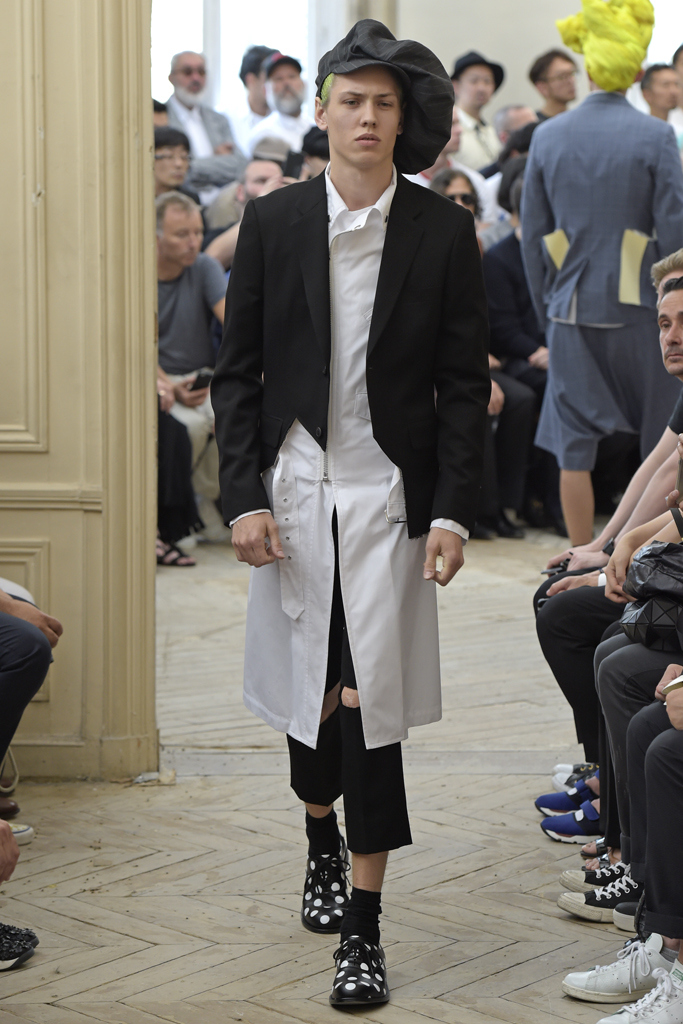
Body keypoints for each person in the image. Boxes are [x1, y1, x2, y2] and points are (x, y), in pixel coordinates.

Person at [211, 18, 489, 1007]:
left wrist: (452, 511)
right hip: (293, 493)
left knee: (370, 702)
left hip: (389, 501)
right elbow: (236, 373)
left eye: (384, 103)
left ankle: (363, 931)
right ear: (323, 112)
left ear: (402, 119)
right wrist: (240, 496)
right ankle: (316, 834)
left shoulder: (441, 229)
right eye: (351, 101)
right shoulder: (276, 221)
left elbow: (463, 384)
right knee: (310, 695)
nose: (367, 117)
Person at [521, 0, 683, 546]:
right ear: (635, 70)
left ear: (588, 65)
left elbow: (535, 236)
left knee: (574, 447)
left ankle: (577, 556)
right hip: (643, 304)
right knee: (662, 442)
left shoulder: (547, 135)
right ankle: (643, 563)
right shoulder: (656, 135)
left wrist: (548, 304)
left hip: (569, 305)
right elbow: (673, 234)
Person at [156, 191, 227, 540]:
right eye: (181, 234)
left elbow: (234, 322)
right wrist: (168, 384)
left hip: (203, 378)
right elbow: (134, 346)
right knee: (192, 429)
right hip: (159, 377)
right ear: (156, 236)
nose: (193, 242)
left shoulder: (204, 266)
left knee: (232, 418)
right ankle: (185, 510)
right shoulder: (137, 273)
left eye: (198, 232)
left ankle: (206, 500)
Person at [166, 51, 246, 204]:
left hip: (223, 200)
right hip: (180, 201)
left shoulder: (219, 119)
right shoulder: (161, 118)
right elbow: (169, 171)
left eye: (201, 72)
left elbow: (240, 166)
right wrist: (217, 161)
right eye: (187, 72)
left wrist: (191, 165)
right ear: (172, 78)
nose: (196, 78)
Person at [246, 53, 313, 157]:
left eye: (292, 76)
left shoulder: (317, 128)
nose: (286, 83)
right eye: (278, 79)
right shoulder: (262, 135)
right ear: (265, 90)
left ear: (303, 84)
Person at [451, 50, 505, 171]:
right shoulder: (448, 130)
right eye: (474, 81)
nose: (482, 88)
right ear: (455, 86)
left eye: (487, 81)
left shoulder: (492, 132)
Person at [227, 44, 277, 157]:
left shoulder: (285, 118)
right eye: (270, 78)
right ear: (251, 80)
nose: (276, 85)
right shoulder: (226, 119)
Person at [528, 48, 578, 120]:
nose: (571, 81)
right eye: (563, 76)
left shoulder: (578, 120)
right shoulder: (535, 124)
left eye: (572, 74)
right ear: (542, 87)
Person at [153, 127, 200, 204]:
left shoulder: (190, 200)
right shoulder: (135, 199)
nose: (179, 164)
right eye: (169, 156)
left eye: (184, 157)